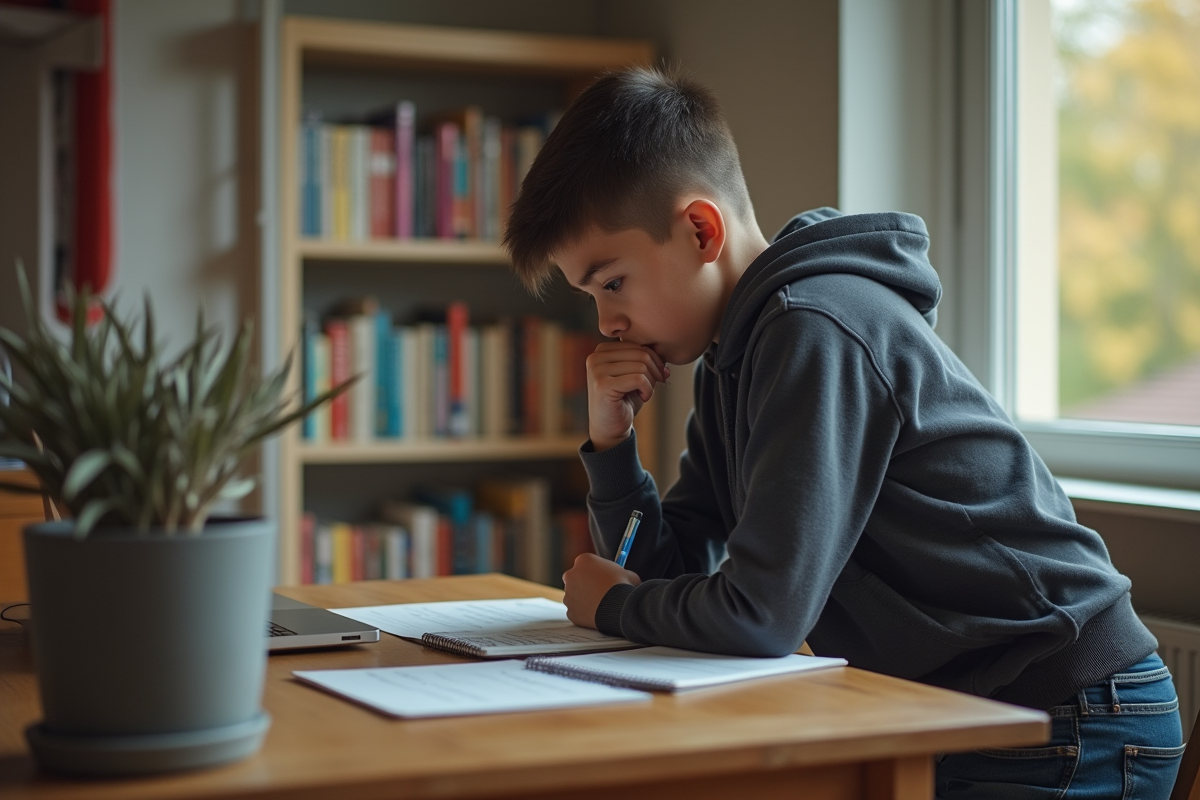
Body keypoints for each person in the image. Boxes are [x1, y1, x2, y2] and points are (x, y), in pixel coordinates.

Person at [502, 66, 1183, 798]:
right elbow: (666, 568)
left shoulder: (814, 328)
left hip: (1069, 719)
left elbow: (760, 614)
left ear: (701, 230)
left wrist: (613, 607)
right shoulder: (737, 358)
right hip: (970, 711)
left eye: (612, 283)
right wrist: (611, 450)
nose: (606, 325)